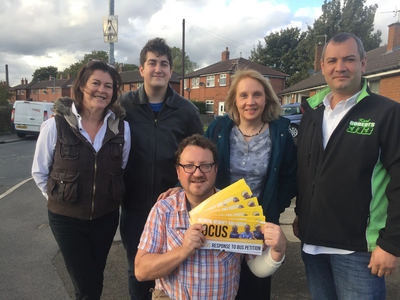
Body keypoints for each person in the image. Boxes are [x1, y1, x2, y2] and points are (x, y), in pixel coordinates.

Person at [160, 68, 297, 300]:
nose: (250, 102)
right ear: (234, 99)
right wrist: (179, 184)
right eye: (243, 95)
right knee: (220, 280)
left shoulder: (281, 132)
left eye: (257, 95)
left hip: (258, 222)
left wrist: (272, 207)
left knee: (256, 285)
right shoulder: (220, 128)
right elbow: (201, 163)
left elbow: (290, 178)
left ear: (267, 98)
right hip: (220, 220)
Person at [293, 32, 400, 299]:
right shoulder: (312, 113)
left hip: (358, 252)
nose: (340, 67)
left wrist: (391, 244)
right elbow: (307, 172)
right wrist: (301, 213)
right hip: (313, 246)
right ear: (323, 67)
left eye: (348, 59)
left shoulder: (386, 113)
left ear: (363, 64)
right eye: (332, 61)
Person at [135, 134, 286, 300]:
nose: (197, 173)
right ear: (178, 172)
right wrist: (183, 251)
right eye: (189, 166)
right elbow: (141, 271)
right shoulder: (163, 210)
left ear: (215, 169)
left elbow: (257, 267)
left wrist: (277, 252)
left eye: (205, 166)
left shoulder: (237, 207)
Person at [32, 59, 131, 300]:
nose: (102, 90)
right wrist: (59, 197)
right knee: (86, 283)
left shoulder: (122, 129)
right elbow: (39, 171)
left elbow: (122, 167)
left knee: (95, 276)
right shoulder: (55, 126)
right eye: (95, 83)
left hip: (106, 218)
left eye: (108, 86)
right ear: (82, 87)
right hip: (66, 219)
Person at [119, 37, 204, 300]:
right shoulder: (123, 106)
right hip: (134, 206)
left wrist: (180, 188)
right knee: (138, 271)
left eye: (164, 64)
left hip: (174, 208)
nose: (158, 69)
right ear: (141, 69)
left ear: (170, 71)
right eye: (152, 63)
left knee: (174, 269)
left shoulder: (187, 111)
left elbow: (200, 154)